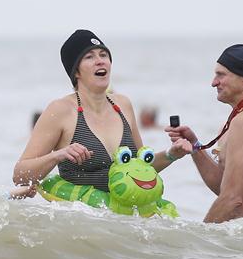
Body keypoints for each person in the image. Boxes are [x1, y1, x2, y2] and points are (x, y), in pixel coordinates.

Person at [12, 29, 190, 200]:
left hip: (122, 219)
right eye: (89, 57)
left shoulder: (123, 105)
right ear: (76, 72)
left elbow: (141, 169)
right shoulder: (60, 110)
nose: (100, 61)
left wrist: (171, 154)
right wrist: (58, 155)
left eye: (103, 55)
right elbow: (20, 175)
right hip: (85, 222)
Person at [166, 44, 243, 223]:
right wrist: (195, 146)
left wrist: (199, 240)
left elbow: (232, 199)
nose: (214, 82)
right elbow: (226, 187)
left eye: (221, 75)